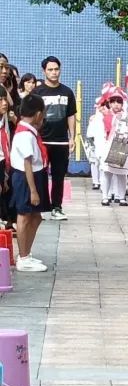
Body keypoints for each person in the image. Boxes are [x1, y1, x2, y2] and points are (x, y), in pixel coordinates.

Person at [32, 56, 77, 221]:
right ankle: (41, 208)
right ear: (44, 71)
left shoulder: (67, 92)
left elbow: (71, 115)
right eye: (50, 69)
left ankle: (57, 207)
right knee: (40, 175)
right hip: (42, 141)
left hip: (61, 141)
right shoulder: (38, 92)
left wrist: (72, 137)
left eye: (56, 69)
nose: (54, 72)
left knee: (59, 176)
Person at [9, 94, 51, 272]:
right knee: (25, 216)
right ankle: (23, 257)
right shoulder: (25, 134)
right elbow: (27, 163)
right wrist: (33, 190)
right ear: (38, 114)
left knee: (36, 216)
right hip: (26, 178)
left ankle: (26, 254)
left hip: (34, 175)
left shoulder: (29, 131)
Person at [93, 89, 128, 206]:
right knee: (107, 172)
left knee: (122, 174)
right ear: (109, 103)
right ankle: (105, 196)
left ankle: (121, 197)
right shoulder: (104, 116)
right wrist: (100, 150)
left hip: (123, 147)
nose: (116, 104)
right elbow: (100, 134)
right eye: (114, 101)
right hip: (108, 146)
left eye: (119, 101)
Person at [0, 88, 15, 231]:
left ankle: (6, 220)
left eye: (5, 99)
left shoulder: (5, 118)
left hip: (3, 159)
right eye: (0, 100)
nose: (5, 103)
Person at [86, 96, 106, 191]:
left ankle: (103, 183)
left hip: (105, 143)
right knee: (94, 162)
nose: (101, 108)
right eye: (99, 106)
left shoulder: (109, 117)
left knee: (103, 164)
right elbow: (90, 132)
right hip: (94, 142)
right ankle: (95, 181)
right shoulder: (94, 118)